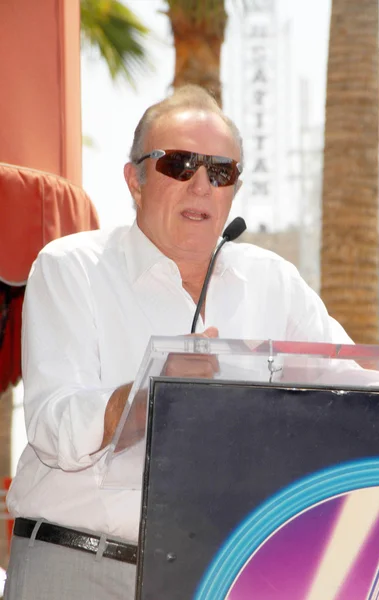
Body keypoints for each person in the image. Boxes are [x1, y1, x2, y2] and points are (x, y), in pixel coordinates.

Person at [5, 84, 355, 600]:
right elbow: (52, 427)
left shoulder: (273, 281)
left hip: (222, 573)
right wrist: (149, 396)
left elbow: (358, 383)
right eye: (179, 164)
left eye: (219, 171)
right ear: (135, 179)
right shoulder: (71, 266)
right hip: (82, 567)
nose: (201, 186)